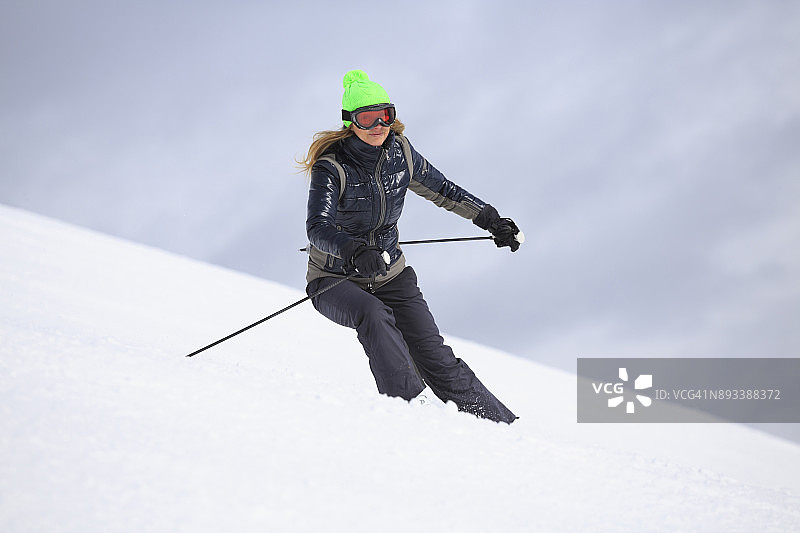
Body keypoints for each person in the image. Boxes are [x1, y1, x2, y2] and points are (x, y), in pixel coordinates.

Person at [300, 70, 521, 424]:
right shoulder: (333, 167)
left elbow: (443, 190)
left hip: (391, 274)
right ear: (349, 122)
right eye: (366, 117)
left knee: (435, 356)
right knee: (373, 315)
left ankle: (501, 427)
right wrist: (355, 251)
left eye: (384, 115)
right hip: (335, 280)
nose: (378, 125)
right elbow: (318, 228)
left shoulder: (400, 152)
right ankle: (412, 415)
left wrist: (491, 220)